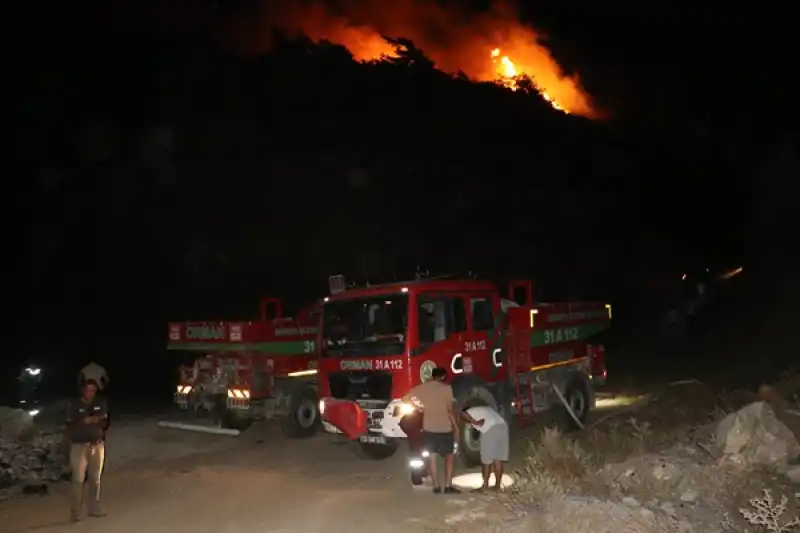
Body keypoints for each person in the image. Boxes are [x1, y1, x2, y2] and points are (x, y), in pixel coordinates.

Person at [403, 367, 461, 494]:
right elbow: (450, 410)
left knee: (432, 457)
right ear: (443, 377)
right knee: (449, 458)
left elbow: (406, 398)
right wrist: (456, 427)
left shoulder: (423, 388)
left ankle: (436, 486)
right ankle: (447, 486)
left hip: (429, 428)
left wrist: (420, 408)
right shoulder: (447, 389)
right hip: (445, 428)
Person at [66, 379, 109, 522]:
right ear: (82, 390)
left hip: (97, 445)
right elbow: (69, 426)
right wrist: (83, 421)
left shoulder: (100, 403)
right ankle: (75, 511)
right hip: (79, 446)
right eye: (88, 389)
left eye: (93, 390)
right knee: (78, 479)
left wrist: (97, 420)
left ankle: (94, 508)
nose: (90, 393)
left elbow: (105, 424)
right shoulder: (74, 405)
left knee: (95, 479)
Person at [461, 404, 509, 492]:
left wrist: (474, 422)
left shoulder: (471, 410)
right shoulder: (486, 409)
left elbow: (462, 414)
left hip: (490, 429)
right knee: (498, 459)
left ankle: (485, 487)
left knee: (486, 460)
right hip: (503, 427)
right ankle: (497, 487)